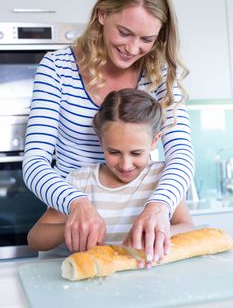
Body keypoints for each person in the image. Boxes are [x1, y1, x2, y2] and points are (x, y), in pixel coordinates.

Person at [23, 0, 194, 263]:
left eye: (147, 39)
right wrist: (76, 203)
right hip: (73, 241)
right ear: (102, 14)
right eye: (124, 32)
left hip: (132, 248)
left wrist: (158, 206)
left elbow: (182, 154)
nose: (132, 48)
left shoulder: (160, 75)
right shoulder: (56, 68)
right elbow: (35, 162)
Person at [27, 89, 194, 264]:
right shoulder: (80, 181)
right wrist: (73, 228)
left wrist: (153, 235)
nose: (125, 164)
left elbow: (188, 227)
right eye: (114, 152)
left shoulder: (163, 178)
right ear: (101, 141)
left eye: (136, 153)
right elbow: (35, 238)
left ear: (154, 141)